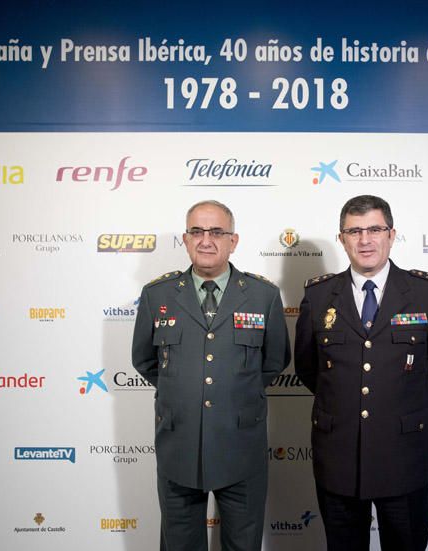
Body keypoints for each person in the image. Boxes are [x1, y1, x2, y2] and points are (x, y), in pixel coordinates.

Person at [294, 195, 428, 551]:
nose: (365, 239)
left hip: (403, 456)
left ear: (392, 234)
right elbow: (309, 368)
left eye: (374, 229)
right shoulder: (319, 295)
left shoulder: (425, 292)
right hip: (338, 457)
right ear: (341, 238)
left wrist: (404, 406)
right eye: (354, 231)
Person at [132, 200, 290, 551]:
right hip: (179, 445)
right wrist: (183, 391)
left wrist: (231, 394)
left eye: (217, 232)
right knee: (179, 544)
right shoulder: (156, 295)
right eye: (197, 232)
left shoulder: (263, 296)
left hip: (241, 445)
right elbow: (144, 360)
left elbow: (274, 361)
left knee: (243, 544)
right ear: (185, 240)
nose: (206, 240)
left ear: (233, 241)